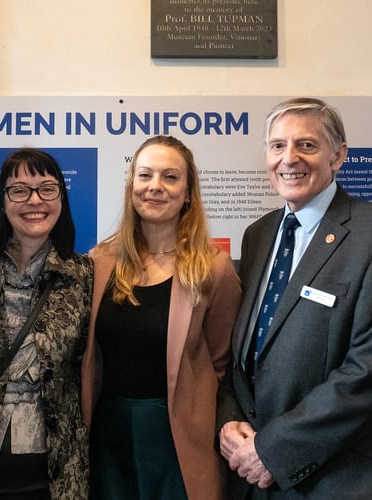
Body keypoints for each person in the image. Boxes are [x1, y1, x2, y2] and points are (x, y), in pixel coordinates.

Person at [218, 98, 372, 499]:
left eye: (306, 145)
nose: (289, 158)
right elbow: (246, 355)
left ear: (339, 154)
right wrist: (228, 421)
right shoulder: (258, 235)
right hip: (250, 474)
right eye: (277, 146)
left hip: (334, 478)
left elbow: (371, 370)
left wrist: (273, 449)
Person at [82, 135, 242, 500]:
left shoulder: (213, 270)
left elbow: (221, 364)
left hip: (179, 436)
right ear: (132, 186)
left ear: (188, 193)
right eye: (145, 175)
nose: (155, 187)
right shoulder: (101, 261)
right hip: (108, 433)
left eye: (170, 177)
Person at [0, 148, 92, 499]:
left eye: (47, 188)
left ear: (61, 198)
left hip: (60, 469)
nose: (34, 201)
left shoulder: (83, 276)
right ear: (4, 199)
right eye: (20, 189)